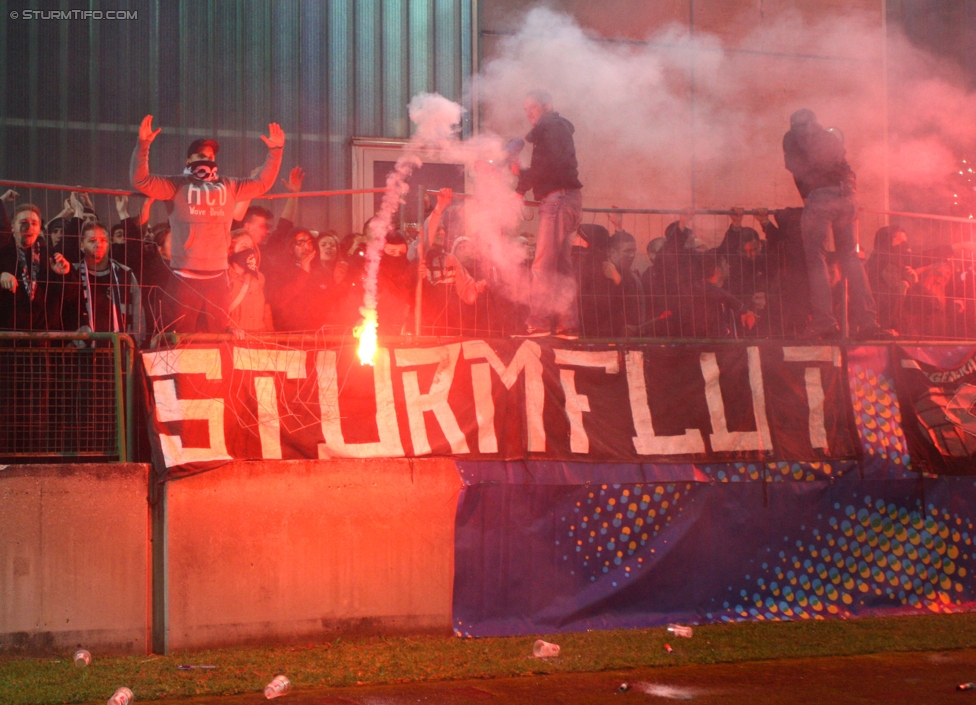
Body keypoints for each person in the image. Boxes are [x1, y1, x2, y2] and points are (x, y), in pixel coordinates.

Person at [130, 115, 284, 334]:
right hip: (184, 279)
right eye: (201, 155)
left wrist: (275, 151)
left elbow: (262, 184)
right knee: (180, 340)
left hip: (218, 279)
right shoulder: (176, 184)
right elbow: (141, 181)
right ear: (188, 161)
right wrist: (143, 146)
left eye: (211, 156)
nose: (207, 159)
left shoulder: (228, 185)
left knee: (219, 339)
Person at [782, 109, 891, 339]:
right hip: (848, 197)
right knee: (851, 257)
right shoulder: (829, 136)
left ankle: (824, 321)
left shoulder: (792, 137)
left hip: (820, 197)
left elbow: (796, 170)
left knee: (816, 258)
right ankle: (869, 323)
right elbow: (846, 168)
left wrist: (807, 197)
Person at [514, 89, 584, 339]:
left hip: (558, 199)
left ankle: (539, 323)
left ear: (547, 105)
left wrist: (520, 188)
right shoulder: (557, 128)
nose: (529, 113)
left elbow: (545, 166)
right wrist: (523, 175)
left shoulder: (549, 127)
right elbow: (549, 166)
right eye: (526, 110)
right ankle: (568, 324)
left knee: (542, 265)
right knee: (562, 266)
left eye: (532, 107)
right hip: (568, 199)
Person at [59, 221, 145, 342]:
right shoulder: (73, 273)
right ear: (81, 246)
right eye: (92, 240)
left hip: (120, 349)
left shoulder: (124, 273)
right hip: (83, 351)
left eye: (103, 240)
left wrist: (136, 343)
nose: (98, 244)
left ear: (109, 243)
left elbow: (137, 312)